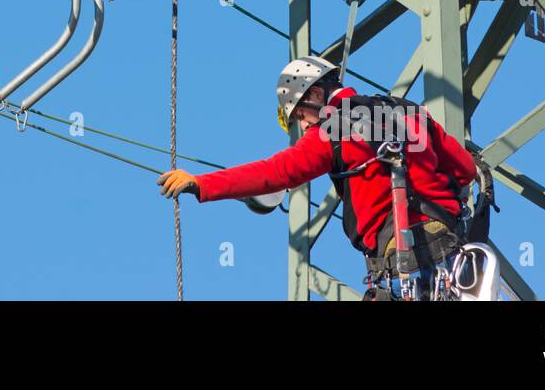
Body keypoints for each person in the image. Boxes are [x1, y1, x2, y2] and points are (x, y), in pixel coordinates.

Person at [158, 55, 478, 296]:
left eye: (300, 115)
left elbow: (276, 173)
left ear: (314, 96)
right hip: (452, 255)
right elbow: (464, 170)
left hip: (403, 263)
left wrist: (202, 183)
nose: (305, 126)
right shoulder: (410, 111)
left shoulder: (330, 130)